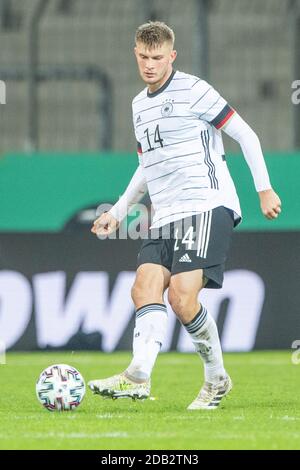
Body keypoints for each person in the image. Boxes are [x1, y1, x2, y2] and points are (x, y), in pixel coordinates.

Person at [88, 21, 281, 410]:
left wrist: (264, 188)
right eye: (143, 56)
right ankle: (138, 377)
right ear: (135, 53)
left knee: (181, 295)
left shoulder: (194, 90)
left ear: (171, 56)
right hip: (166, 214)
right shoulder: (138, 105)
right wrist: (119, 211)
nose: (149, 65)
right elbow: (146, 165)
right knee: (143, 287)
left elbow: (245, 134)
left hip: (207, 203)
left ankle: (215, 379)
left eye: (157, 58)